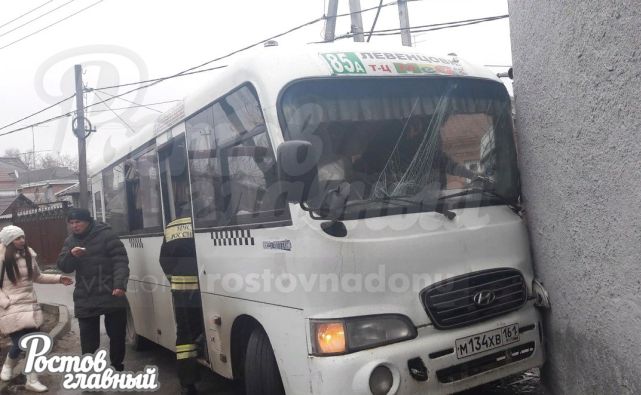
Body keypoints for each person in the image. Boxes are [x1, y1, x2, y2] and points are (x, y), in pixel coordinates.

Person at [0, 225, 73, 392]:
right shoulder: (1, 258)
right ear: (9, 241)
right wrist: (5, 303)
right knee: (20, 343)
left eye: (23, 237)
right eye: (18, 238)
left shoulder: (28, 255)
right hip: (11, 308)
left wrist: (59, 278)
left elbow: (38, 277)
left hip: (30, 305)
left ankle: (31, 380)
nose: (22, 240)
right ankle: (8, 366)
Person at [56, 208, 130, 371]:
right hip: (86, 294)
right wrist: (71, 255)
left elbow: (120, 260)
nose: (74, 226)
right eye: (71, 223)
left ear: (88, 221)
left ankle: (117, 366)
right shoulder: (70, 241)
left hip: (111, 292)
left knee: (117, 335)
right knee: (88, 339)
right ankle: (90, 370)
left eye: (78, 222)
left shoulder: (106, 235)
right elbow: (64, 266)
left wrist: (119, 284)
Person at [159, 216, 205, 395]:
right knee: (201, 326)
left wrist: (175, 280)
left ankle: (188, 384)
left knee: (185, 335)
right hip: (208, 284)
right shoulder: (208, 220)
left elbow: (164, 260)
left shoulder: (172, 226)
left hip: (182, 288)